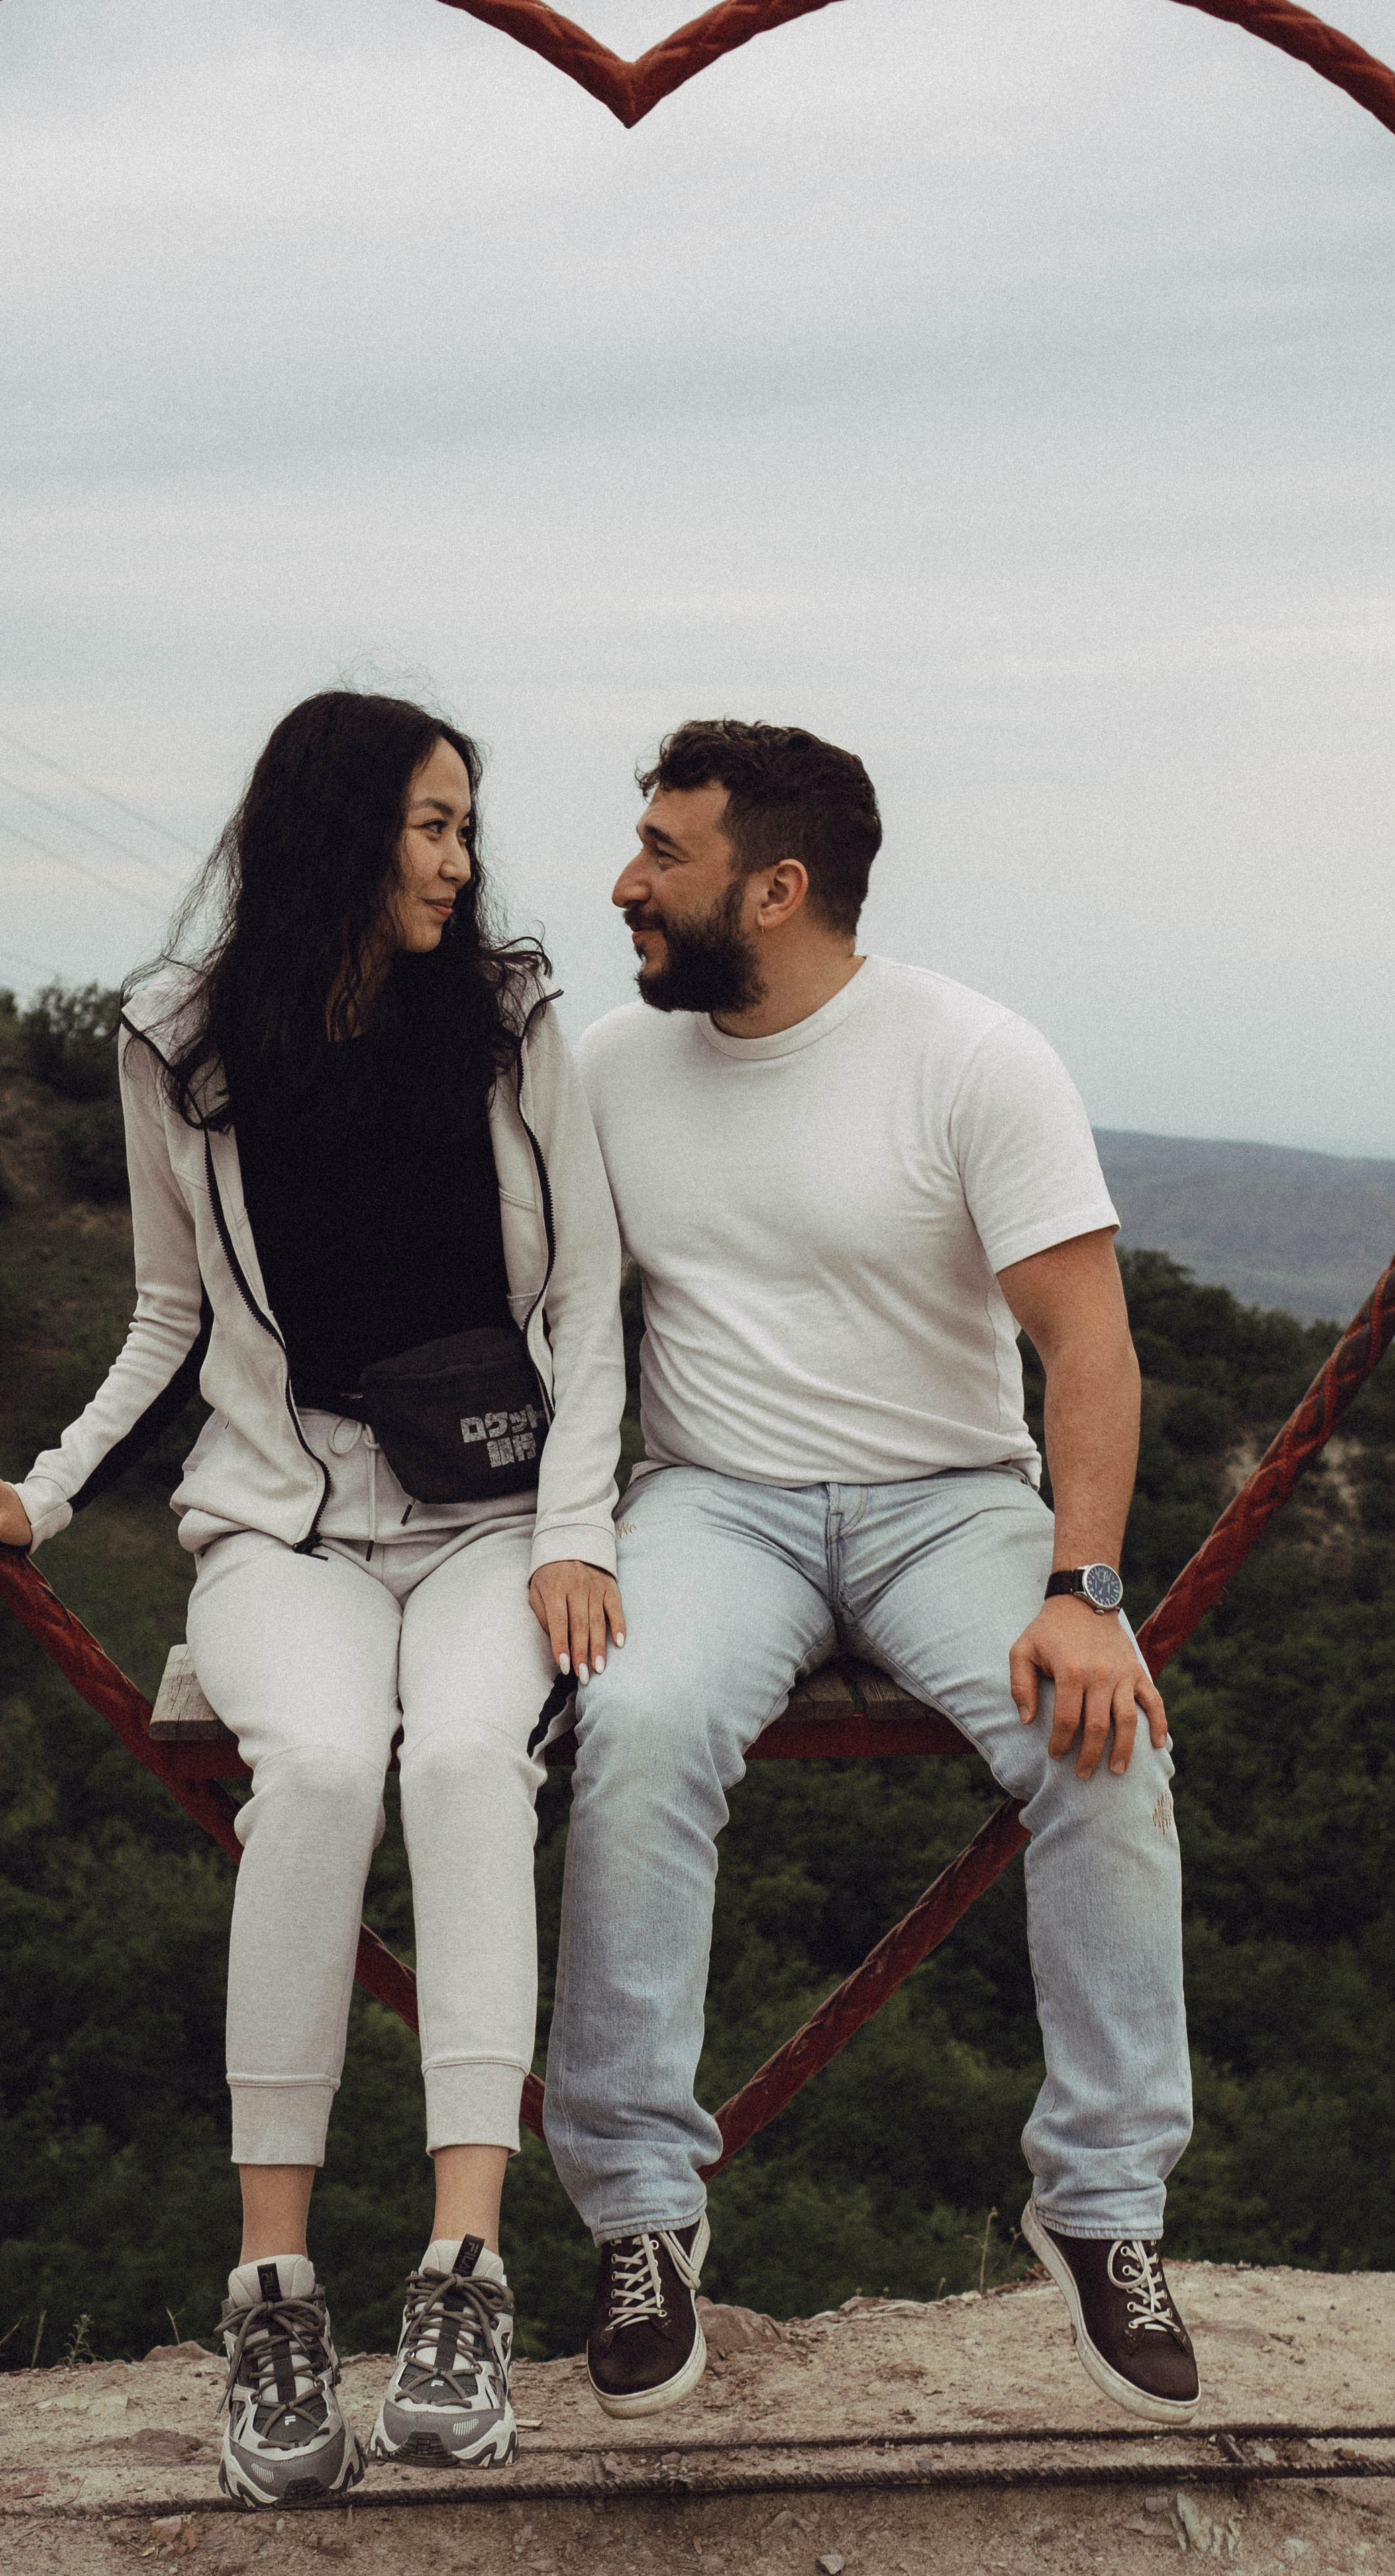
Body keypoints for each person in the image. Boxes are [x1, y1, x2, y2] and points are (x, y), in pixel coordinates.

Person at [0, 692, 626, 2508]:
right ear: (344, 833)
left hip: (503, 1519)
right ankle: (273, 2290)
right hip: (284, 1524)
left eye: (465, 827)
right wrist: (45, 1490)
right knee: (328, 1773)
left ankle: (463, 2282)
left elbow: (588, 1300)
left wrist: (580, 1528)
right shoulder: (179, 1043)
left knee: (462, 1769)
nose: (461, 859)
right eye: (434, 825)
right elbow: (167, 1318)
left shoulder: (509, 1022)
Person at [546, 718, 1198, 2427]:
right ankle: (637, 2214)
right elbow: (574, 1331)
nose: (627, 880)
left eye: (663, 855)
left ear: (773, 889)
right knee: (633, 1731)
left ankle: (1102, 2209)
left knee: (1104, 1741)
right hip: (714, 1500)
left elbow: (1089, 1349)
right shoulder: (611, 1065)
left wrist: (1086, 1587)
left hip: (946, 1502)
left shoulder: (971, 1057)